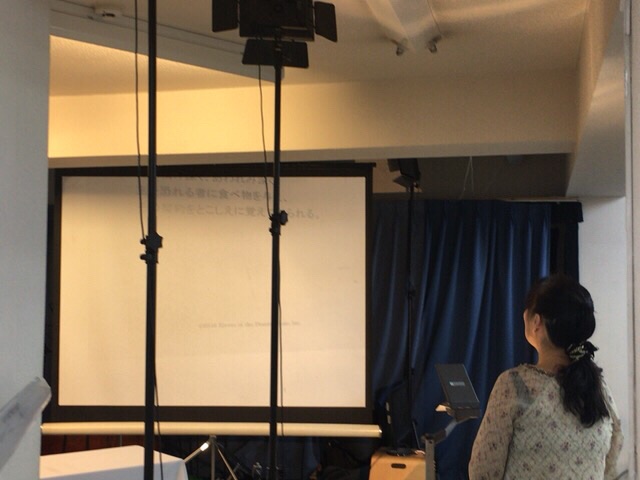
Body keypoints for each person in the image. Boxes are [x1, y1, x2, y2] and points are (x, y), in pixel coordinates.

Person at [468, 274, 623, 479]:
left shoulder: (514, 385)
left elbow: (483, 472)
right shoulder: (599, 388)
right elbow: (612, 459)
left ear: (536, 322)